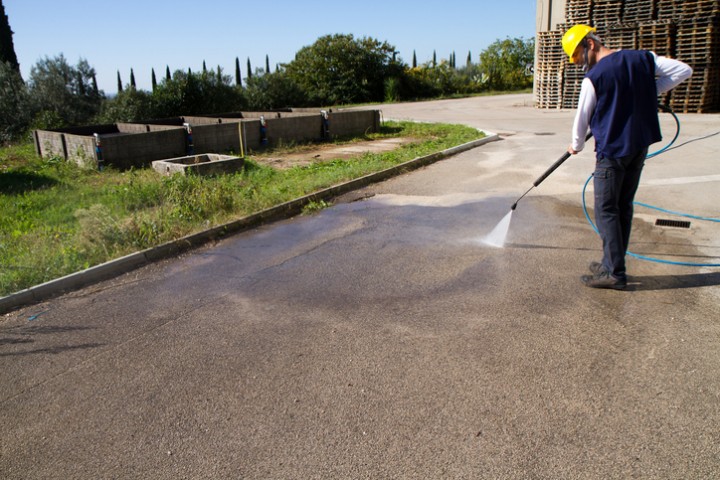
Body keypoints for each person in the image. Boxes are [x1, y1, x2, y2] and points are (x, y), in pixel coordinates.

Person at [562, 25, 692, 290]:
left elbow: (582, 118)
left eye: (577, 56)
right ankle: (612, 263)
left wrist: (576, 145)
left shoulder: (594, 77)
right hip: (638, 147)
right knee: (623, 205)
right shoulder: (642, 58)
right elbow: (683, 70)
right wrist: (649, 91)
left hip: (611, 152)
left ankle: (614, 273)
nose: (578, 64)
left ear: (590, 44)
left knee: (607, 209)